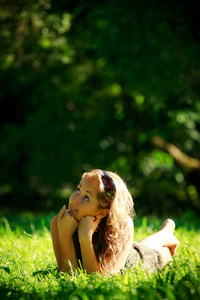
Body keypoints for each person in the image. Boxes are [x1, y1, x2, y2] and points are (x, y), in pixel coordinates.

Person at [50, 169, 179, 274]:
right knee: (139, 246)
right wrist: (65, 236)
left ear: (102, 212)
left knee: (154, 253)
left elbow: (98, 280)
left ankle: (166, 233)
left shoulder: (122, 226)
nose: (74, 200)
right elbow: (68, 275)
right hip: (129, 248)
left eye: (87, 198)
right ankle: (166, 232)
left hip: (133, 263)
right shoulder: (59, 223)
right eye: (78, 190)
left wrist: (85, 237)